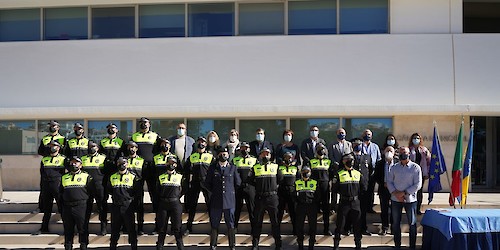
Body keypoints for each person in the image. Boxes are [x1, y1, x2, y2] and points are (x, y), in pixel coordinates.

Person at [205, 147, 241, 250]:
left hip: (229, 201)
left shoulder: (232, 168)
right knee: (214, 224)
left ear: (228, 155)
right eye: (221, 153)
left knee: (230, 224)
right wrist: (215, 191)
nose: (223, 155)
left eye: (225, 153)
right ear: (217, 155)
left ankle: (232, 245)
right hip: (216, 200)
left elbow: (237, 183)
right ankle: (213, 245)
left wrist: (231, 192)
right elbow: (207, 183)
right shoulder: (212, 168)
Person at [387, 146, 422, 250]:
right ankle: (397, 245)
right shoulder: (394, 167)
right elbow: (389, 182)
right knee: (396, 223)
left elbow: (418, 184)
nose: (403, 154)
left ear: (409, 154)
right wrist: (395, 193)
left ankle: (412, 246)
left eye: (405, 152)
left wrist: (404, 193)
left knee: (412, 223)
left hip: (410, 200)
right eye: (401, 152)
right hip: (395, 199)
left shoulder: (416, 167)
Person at [248, 148, 283, 250]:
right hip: (260, 197)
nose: (265, 156)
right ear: (260, 155)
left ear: (270, 155)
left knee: (275, 222)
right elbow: (250, 180)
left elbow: (280, 180)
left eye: (267, 154)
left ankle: (278, 244)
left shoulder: (275, 166)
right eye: (263, 154)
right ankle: (255, 244)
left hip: (272, 198)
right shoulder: (255, 167)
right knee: (257, 222)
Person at [333, 154, 367, 250]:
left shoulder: (358, 173)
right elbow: (335, 189)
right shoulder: (338, 174)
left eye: (351, 159)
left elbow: (363, 188)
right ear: (343, 161)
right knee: (340, 224)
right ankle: (336, 244)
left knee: (357, 225)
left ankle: (358, 245)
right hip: (344, 202)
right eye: (347, 159)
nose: (350, 161)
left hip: (355, 202)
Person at [60, 156, 94, 250]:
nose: (74, 164)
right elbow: (60, 192)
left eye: (76, 162)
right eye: (72, 162)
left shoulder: (86, 176)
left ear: (81, 165)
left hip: (81, 206)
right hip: (67, 207)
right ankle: (68, 246)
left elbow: (91, 192)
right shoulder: (64, 177)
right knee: (68, 229)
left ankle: (83, 246)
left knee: (82, 229)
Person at [183, 136, 215, 235]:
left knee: (210, 205)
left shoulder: (210, 157)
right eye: (199, 142)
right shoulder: (192, 156)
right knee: (192, 205)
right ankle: (189, 227)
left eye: (203, 142)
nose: (201, 144)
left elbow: (215, 171)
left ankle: (213, 227)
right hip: (195, 183)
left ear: (206, 144)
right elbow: (186, 170)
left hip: (207, 183)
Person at [34, 120, 66, 214]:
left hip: (59, 164)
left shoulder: (63, 139)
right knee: (44, 187)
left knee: (59, 188)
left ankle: (62, 210)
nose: (52, 127)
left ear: (58, 127)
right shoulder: (45, 138)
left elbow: (65, 151)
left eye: (54, 126)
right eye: (50, 125)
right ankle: (41, 207)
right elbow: (40, 151)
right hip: (47, 164)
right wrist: (49, 153)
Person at [108, 157, 140, 250]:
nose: (122, 165)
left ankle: (134, 246)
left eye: (124, 163)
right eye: (120, 163)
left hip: (128, 206)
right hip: (116, 206)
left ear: (127, 164)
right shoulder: (112, 176)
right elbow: (109, 189)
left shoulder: (133, 177)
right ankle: (112, 246)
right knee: (115, 229)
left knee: (131, 228)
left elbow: (136, 192)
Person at [131, 117, 160, 221]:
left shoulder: (155, 136)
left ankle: (158, 222)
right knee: (138, 196)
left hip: (151, 168)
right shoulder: (134, 136)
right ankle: (140, 224)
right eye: (142, 123)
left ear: (149, 124)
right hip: (138, 168)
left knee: (154, 194)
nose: (144, 124)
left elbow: (159, 151)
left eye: (146, 123)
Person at [34, 140, 66, 235]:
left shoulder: (63, 159)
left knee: (62, 208)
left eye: (54, 146)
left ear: (59, 148)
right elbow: (42, 173)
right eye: (50, 145)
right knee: (47, 209)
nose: (52, 147)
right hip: (46, 186)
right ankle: (44, 228)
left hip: (57, 186)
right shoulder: (44, 159)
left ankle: (67, 229)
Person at [156, 156, 185, 250]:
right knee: (162, 228)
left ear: (176, 165)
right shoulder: (161, 177)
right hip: (163, 203)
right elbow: (157, 190)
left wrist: (176, 197)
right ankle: (159, 247)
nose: (171, 165)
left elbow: (184, 190)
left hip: (175, 203)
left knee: (177, 228)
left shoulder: (180, 177)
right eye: (169, 163)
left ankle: (180, 247)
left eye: (173, 163)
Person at [81, 141, 108, 235]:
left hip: (99, 185)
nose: (92, 148)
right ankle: (84, 228)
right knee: (86, 207)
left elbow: (106, 172)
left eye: (94, 146)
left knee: (102, 206)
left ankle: (103, 227)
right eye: (90, 146)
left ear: (98, 148)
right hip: (87, 186)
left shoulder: (103, 158)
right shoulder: (83, 158)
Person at [307, 143, 333, 236]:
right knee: (313, 210)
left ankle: (326, 229)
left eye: (322, 149)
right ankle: (312, 229)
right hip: (314, 188)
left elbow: (331, 174)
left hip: (325, 187)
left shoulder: (328, 161)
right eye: (318, 149)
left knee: (326, 209)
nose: (320, 150)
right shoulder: (311, 161)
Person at [233, 141, 257, 231]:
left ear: (249, 149)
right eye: (243, 148)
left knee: (252, 209)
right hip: (238, 187)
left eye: (246, 148)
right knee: (237, 209)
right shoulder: (235, 160)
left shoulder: (254, 160)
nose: (244, 150)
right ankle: (234, 228)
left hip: (250, 187)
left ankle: (254, 229)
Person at [351, 138, 373, 236]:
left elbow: (371, 170)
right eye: (356, 144)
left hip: (364, 188)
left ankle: (363, 228)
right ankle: (350, 228)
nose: (358, 145)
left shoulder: (367, 157)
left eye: (360, 144)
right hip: (352, 188)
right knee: (352, 209)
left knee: (363, 210)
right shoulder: (348, 157)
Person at [328, 127, 352, 212]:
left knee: (344, 188)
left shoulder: (349, 144)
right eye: (340, 133)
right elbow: (330, 156)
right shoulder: (332, 144)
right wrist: (335, 163)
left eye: (343, 133)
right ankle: (333, 206)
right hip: (336, 169)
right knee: (334, 189)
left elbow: (350, 156)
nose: (341, 134)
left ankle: (342, 205)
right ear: (337, 134)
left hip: (345, 170)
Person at [374, 145, 397, 235]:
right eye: (387, 150)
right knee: (384, 210)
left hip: (395, 190)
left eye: (391, 151)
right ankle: (385, 228)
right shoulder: (380, 163)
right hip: (384, 189)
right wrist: (382, 183)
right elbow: (376, 176)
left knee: (394, 210)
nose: (389, 152)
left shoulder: (397, 163)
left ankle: (394, 228)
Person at [125, 141, 146, 235]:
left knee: (139, 208)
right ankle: (126, 227)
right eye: (129, 147)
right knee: (127, 209)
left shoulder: (142, 160)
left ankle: (140, 227)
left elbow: (145, 174)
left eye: (133, 147)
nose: (131, 149)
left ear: (136, 149)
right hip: (127, 189)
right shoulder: (124, 160)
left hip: (138, 187)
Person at [295, 166, 318, 250]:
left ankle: (311, 244)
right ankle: (300, 244)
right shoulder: (297, 182)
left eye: (307, 171)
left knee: (312, 226)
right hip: (301, 206)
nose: (306, 173)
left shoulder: (315, 182)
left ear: (310, 173)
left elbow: (317, 196)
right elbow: (294, 195)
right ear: (301, 173)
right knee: (299, 226)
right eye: (304, 171)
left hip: (312, 206)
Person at [408, 133, 431, 215]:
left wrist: (427, 172)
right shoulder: (409, 150)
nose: (416, 139)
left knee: (419, 191)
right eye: (414, 138)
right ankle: (411, 208)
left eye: (417, 138)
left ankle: (417, 209)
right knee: (411, 191)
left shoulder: (424, 150)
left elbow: (429, 161)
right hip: (410, 173)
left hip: (421, 173)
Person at [277, 152, 298, 235]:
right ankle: (276, 229)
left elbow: (299, 180)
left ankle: (296, 230)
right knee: (279, 212)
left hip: (292, 192)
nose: (287, 159)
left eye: (289, 158)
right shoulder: (279, 168)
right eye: (286, 158)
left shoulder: (295, 168)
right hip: (282, 192)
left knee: (293, 212)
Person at [361, 129, 381, 213]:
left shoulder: (375, 146)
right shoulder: (360, 145)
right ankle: (363, 207)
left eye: (369, 134)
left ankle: (370, 207)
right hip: (362, 171)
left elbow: (379, 158)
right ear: (362, 135)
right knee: (363, 190)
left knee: (371, 190)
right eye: (366, 134)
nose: (367, 136)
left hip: (372, 171)